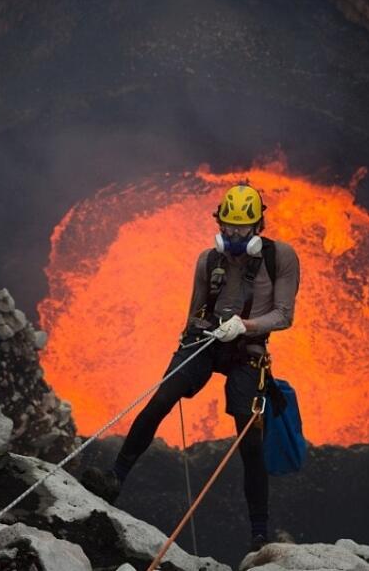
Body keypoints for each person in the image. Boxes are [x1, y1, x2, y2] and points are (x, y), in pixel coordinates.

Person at [82, 183, 301, 552]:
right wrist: (187, 349)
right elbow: (195, 312)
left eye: (241, 230)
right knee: (161, 397)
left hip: (248, 349)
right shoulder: (208, 261)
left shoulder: (281, 257)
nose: (233, 235)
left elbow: (284, 315)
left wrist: (245, 326)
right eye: (227, 227)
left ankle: (259, 530)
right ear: (219, 222)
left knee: (249, 440)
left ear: (257, 227)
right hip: (207, 342)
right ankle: (115, 477)